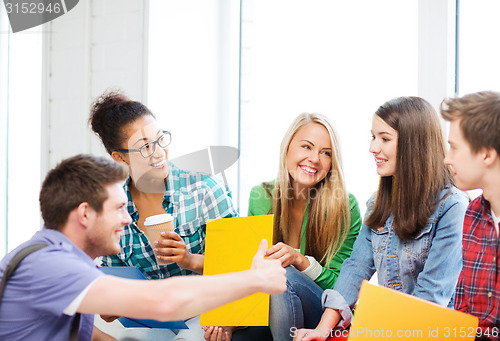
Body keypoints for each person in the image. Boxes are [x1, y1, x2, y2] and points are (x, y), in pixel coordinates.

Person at [0, 154, 286, 341]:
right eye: (119, 208)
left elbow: (94, 336)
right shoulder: (50, 265)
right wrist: (255, 278)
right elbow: (163, 301)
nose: (128, 219)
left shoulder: (60, 258)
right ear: (85, 214)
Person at [294, 96, 469, 341]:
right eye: (373, 137)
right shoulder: (378, 203)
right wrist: (322, 330)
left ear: (413, 144)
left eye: (384, 139)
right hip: (390, 329)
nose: (373, 148)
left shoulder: (452, 207)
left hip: (428, 332)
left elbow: (431, 297)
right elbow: (355, 269)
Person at [89, 91, 238, 339]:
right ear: (119, 157)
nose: (159, 153)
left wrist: (190, 260)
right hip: (153, 322)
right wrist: (109, 305)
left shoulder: (202, 188)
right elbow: (112, 291)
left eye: (160, 140)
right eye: (145, 147)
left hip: (206, 310)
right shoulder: (114, 211)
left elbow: (240, 263)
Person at [206, 113, 362, 341]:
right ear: (287, 147)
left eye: (325, 153)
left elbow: (343, 285)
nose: (315, 159)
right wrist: (231, 322)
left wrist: (301, 261)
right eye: (306, 147)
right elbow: (250, 270)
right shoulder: (262, 196)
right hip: (272, 309)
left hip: (323, 313)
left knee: (283, 273)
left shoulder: (345, 206)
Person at [440, 91, 499, 341]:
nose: (446, 159)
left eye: (453, 147)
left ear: (486, 154)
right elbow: (465, 311)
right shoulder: (474, 213)